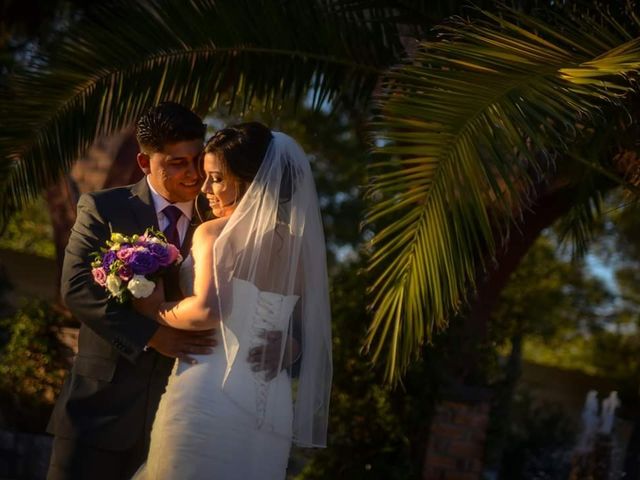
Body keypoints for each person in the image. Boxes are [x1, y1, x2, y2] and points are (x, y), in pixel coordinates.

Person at [131, 122, 333, 479]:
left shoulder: (213, 234)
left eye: (217, 179)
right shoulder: (300, 249)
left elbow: (208, 311)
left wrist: (156, 310)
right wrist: (289, 347)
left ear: (249, 181)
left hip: (209, 391)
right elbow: (302, 333)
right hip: (270, 405)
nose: (205, 188)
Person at [47, 102, 217, 480]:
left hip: (180, 418)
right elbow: (76, 288)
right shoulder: (103, 208)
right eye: (176, 163)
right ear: (144, 163)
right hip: (98, 413)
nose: (193, 174)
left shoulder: (218, 220)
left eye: (198, 159)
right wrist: (153, 336)